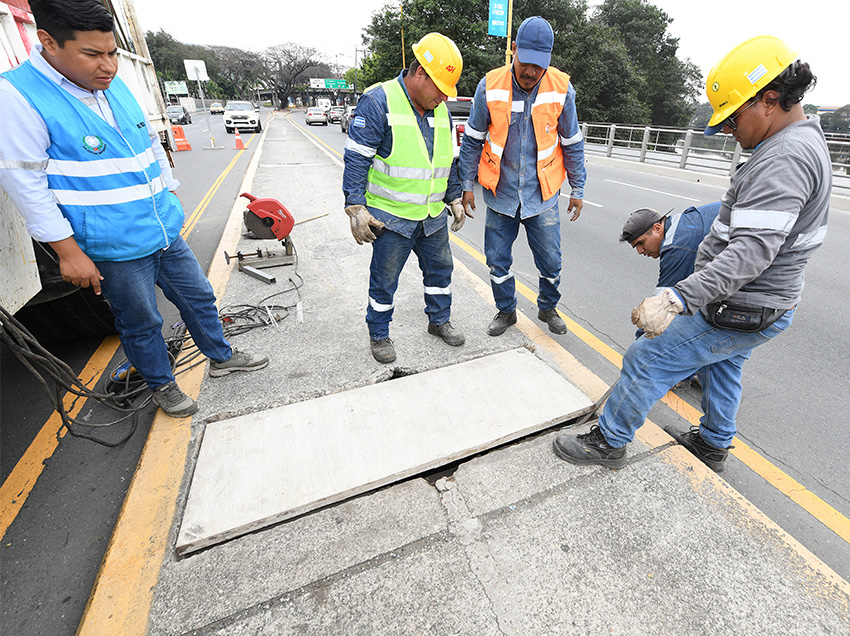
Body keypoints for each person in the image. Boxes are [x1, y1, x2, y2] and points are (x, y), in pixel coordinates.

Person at [553, 35, 830, 473]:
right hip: (762, 303)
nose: (726, 130)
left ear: (770, 100)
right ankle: (714, 443)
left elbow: (750, 253)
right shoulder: (793, 143)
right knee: (723, 363)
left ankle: (609, 441)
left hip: (744, 303)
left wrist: (676, 299)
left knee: (648, 358)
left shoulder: (784, 159)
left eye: (732, 118)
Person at [0, 0, 268, 418]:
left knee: (199, 298)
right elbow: (25, 184)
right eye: (92, 54)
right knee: (141, 321)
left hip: (160, 228)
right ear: (48, 42)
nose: (107, 66)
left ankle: (221, 356)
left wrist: (170, 195)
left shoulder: (112, 84)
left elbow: (148, 148)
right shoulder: (18, 95)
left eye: (111, 54)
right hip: (113, 245)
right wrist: (69, 252)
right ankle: (163, 386)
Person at [342, 32, 467, 364]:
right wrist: (355, 205)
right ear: (420, 72)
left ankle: (439, 321)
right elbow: (357, 157)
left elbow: (447, 159)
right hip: (392, 218)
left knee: (441, 271)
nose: (443, 96)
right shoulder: (379, 100)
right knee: (385, 280)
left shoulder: (441, 110)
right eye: (440, 87)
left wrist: (453, 197)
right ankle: (379, 333)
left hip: (431, 216)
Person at [458, 16, 586, 337]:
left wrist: (578, 187)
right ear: (513, 50)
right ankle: (506, 310)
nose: (530, 72)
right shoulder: (490, 85)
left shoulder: (561, 89)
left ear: (549, 62)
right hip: (501, 195)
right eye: (525, 62)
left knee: (552, 263)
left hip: (542, 196)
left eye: (538, 66)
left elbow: (572, 142)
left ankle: (548, 306)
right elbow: (473, 139)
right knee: (497, 261)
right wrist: (465, 185)